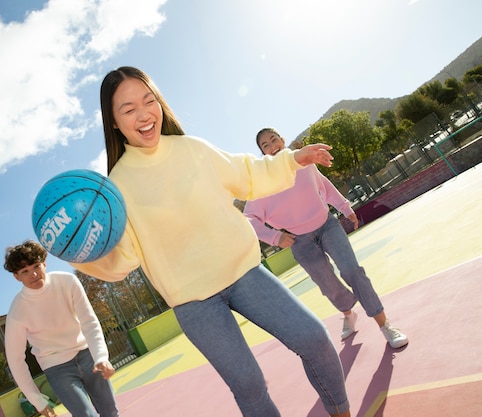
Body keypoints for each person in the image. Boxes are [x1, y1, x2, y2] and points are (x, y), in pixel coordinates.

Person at [69, 66, 351, 417]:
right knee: (249, 385)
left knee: (316, 340)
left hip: (245, 273)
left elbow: (247, 172)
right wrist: (79, 251)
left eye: (148, 100)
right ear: (113, 122)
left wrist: (293, 158)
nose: (143, 114)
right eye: (128, 109)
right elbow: (121, 258)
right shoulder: (117, 189)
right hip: (193, 303)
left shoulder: (191, 149)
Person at [243, 128, 408, 349]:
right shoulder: (262, 184)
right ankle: (349, 314)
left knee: (352, 271)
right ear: (263, 154)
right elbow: (249, 218)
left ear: (283, 141)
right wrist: (275, 237)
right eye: (265, 145)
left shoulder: (304, 162)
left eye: (274, 140)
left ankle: (385, 325)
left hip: (327, 226)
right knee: (328, 286)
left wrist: (344, 206)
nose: (272, 145)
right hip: (300, 242)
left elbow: (325, 187)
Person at [4, 240, 119, 417]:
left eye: (36, 266)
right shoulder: (17, 311)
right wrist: (37, 401)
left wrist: (101, 356)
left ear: (44, 263)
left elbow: (89, 321)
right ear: (16, 276)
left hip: (87, 355)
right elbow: (15, 360)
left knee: (110, 412)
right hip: (57, 368)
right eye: (25, 271)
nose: (33, 274)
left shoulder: (67, 282)